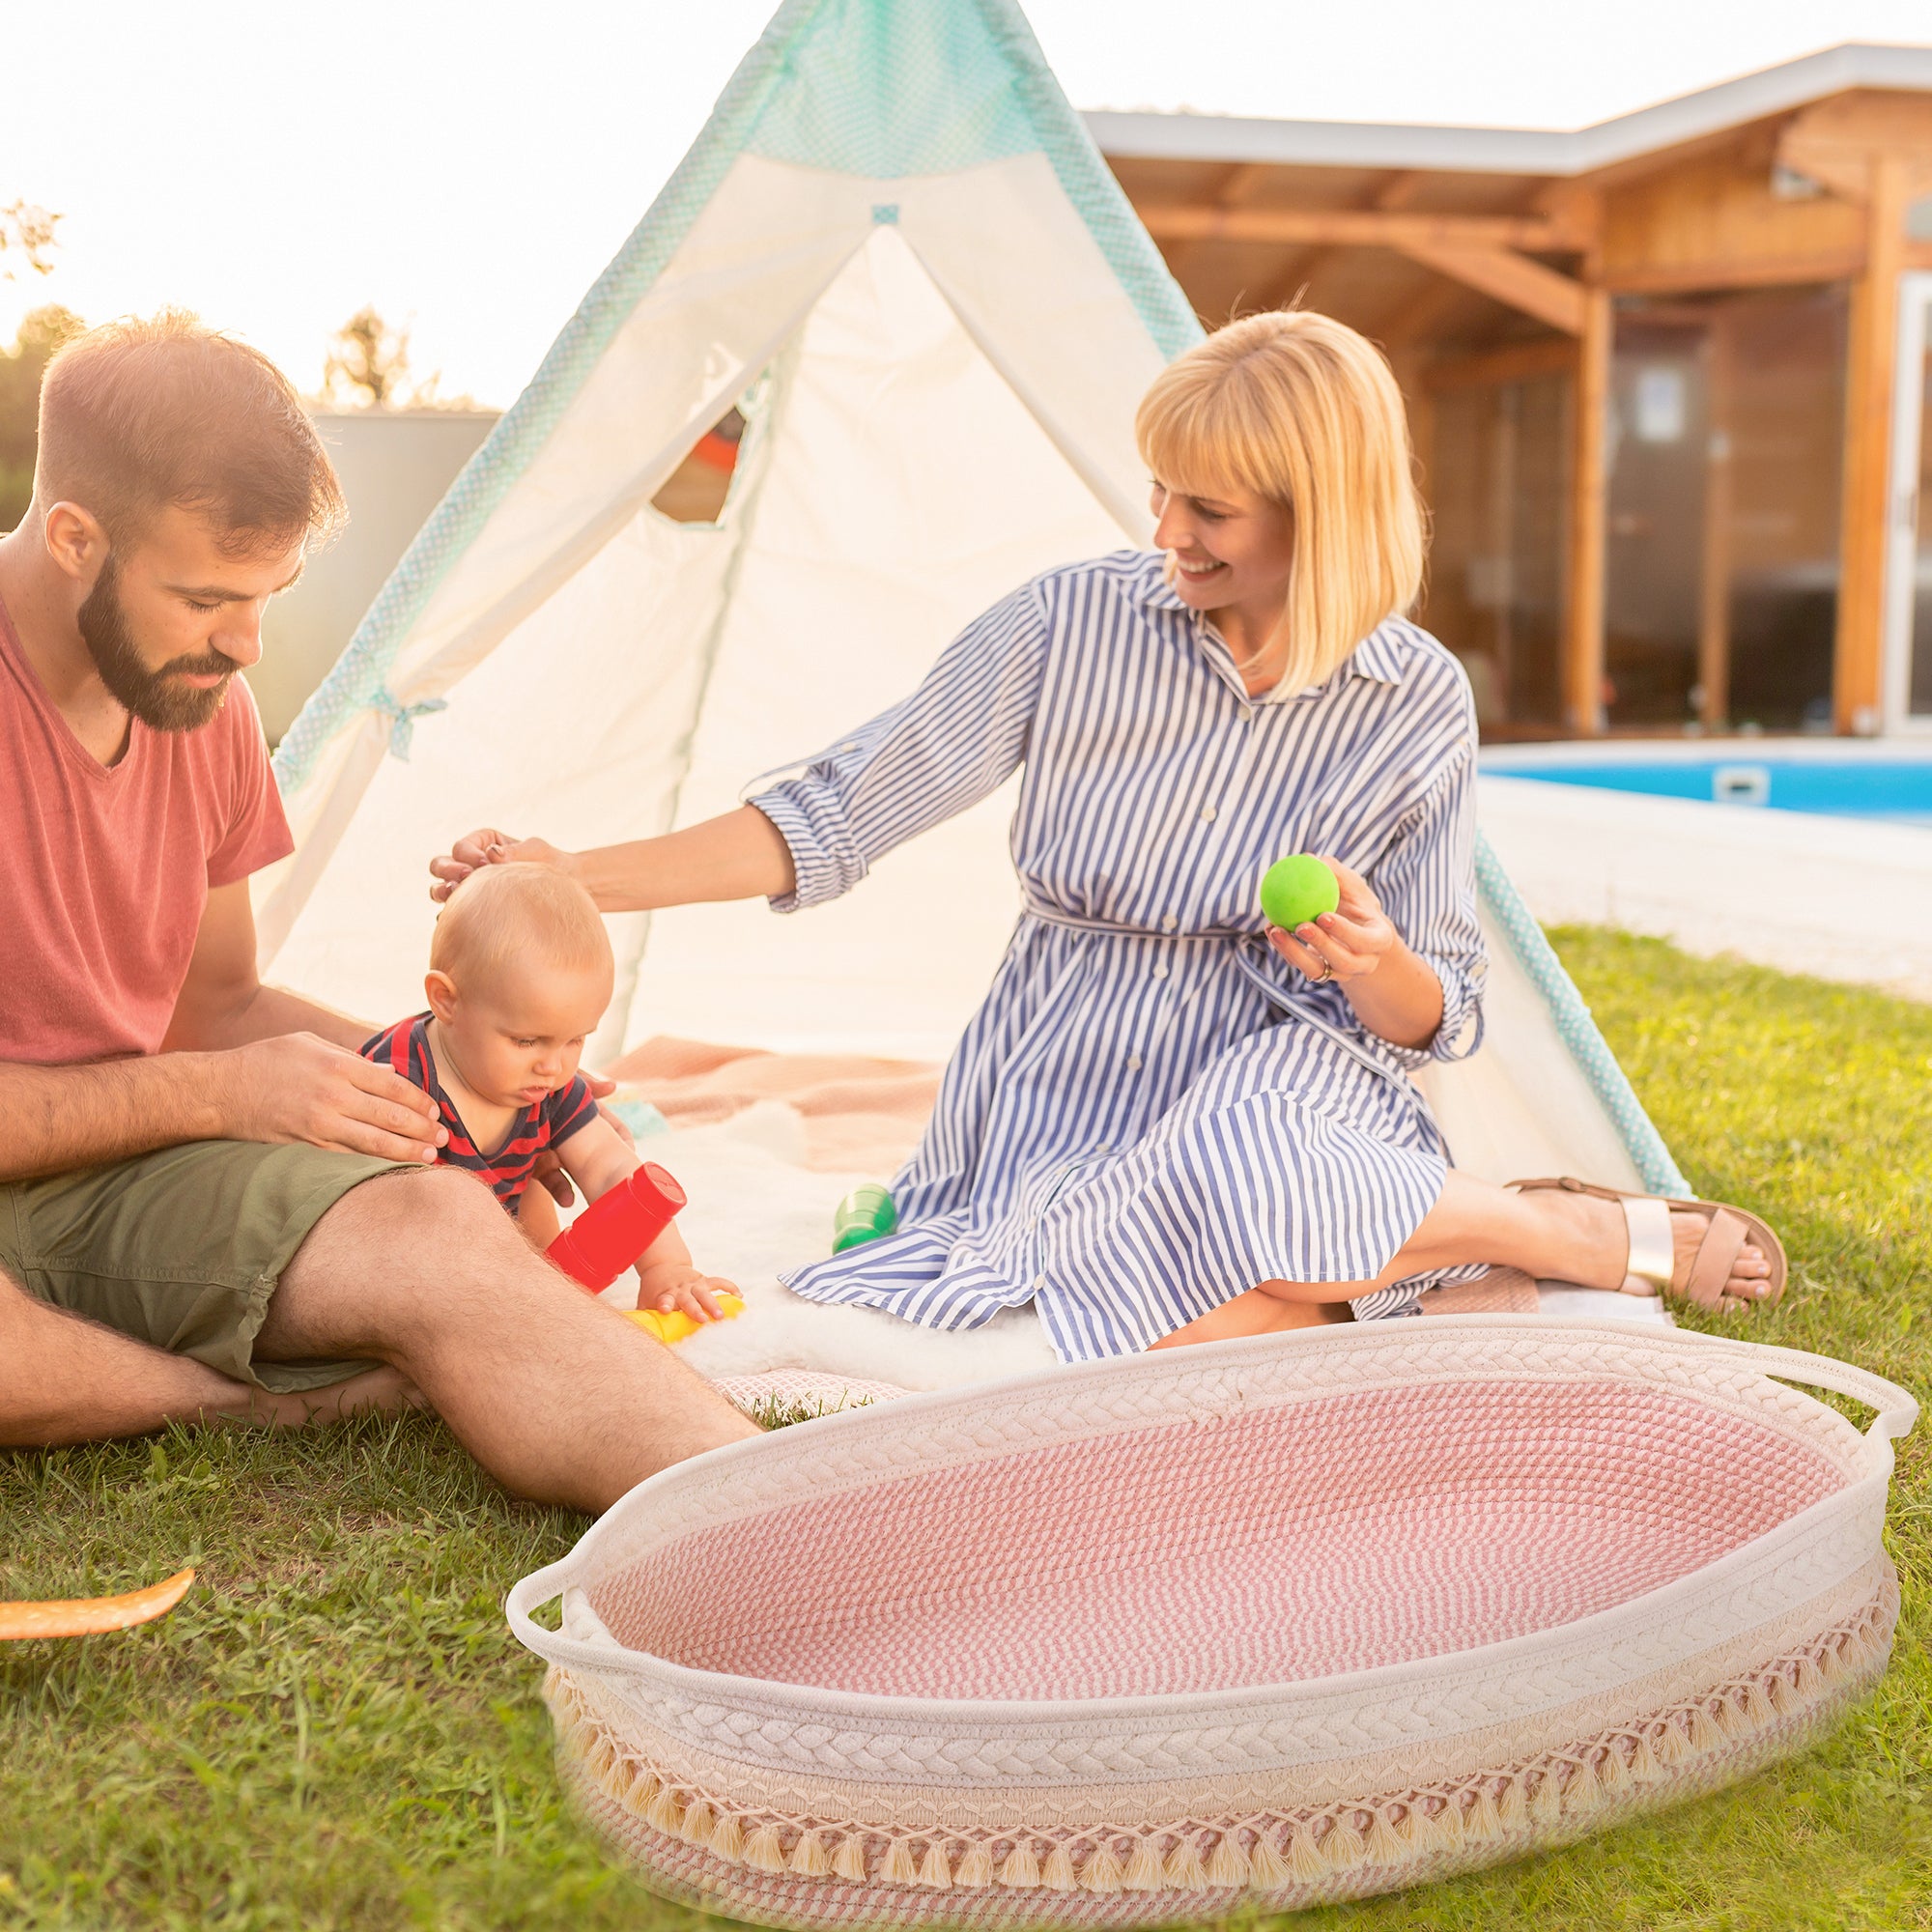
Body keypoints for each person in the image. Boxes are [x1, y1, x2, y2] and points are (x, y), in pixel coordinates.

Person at [432, 310, 1783, 1359]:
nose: (1166, 535)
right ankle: (1423, 1260)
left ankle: (1570, 1236)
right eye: (1160, 494)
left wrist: (1368, 958)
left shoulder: (1416, 696)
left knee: (1245, 1169)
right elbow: (831, 817)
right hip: (1070, 1062)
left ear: (1321, 515)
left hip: (1290, 1061)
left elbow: (1440, 1014)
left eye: (1208, 511)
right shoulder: (1067, 624)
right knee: (1147, 1318)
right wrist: (565, 875)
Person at [0, 313, 755, 1509]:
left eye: (269, 594)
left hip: (123, 1183)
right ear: (77, 538)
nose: (246, 645)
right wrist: (213, 1092)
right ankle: (249, 1401)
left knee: (442, 1221)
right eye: (207, 598)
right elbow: (211, 1067)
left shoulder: (205, 707)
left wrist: (456, 1075)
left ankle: (783, 1522)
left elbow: (220, 1002)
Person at [362, 862, 734, 1323]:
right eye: (526, 1041)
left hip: (494, 1235)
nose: (553, 1066)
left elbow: (610, 1167)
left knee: (533, 1202)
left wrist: (667, 1266)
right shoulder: (393, 1082)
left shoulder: (549, 1086)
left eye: (576, 1040)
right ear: (447, 1001)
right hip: (401, 1252)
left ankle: (532, 1295)